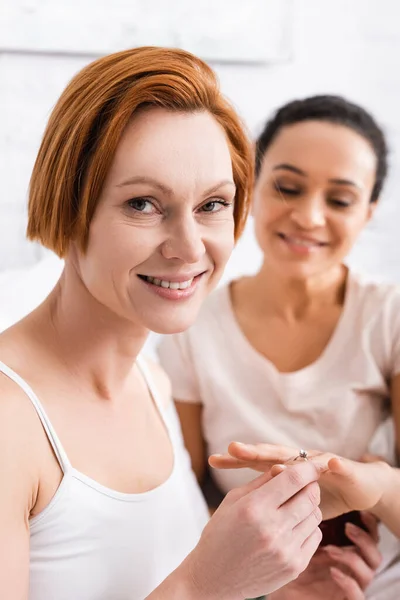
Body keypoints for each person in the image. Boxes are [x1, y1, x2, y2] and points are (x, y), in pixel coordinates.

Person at [0, 47, 325, 600]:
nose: (190, 247)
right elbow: (192, 584)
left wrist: (276, 584)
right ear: (69, 204)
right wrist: (207, 585)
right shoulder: (11, 427)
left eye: (213, 204)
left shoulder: (152, 381)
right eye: (145, 204)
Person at [158, 95, 400, 599]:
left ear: (368, 212)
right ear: (252, 187)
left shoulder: (388, 316)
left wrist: (373, 486)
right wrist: (266, 587)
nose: (309, 217)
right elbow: (185, 498)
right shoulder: (190, 323)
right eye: (288, 187)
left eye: (339, 200)